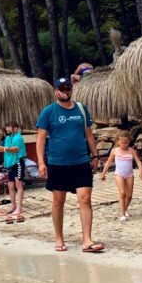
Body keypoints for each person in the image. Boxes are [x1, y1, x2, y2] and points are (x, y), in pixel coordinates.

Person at [36, 77, 104, 253]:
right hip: (58, 163)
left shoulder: (81, 109)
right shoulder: (48, 112)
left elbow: (89, 134)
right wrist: (41, 163)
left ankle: (87, 240)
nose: (65, 91)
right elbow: (41, 138)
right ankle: (59, 238)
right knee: (59, 201)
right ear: (55, 91)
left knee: (85, 198)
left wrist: (95, 156)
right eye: (61, 89)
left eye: (68, 88)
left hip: (81, 161)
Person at [100, 130, 142, 220]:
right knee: (122, 193)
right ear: (118, 141)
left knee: (129, 196)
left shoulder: (132, 151)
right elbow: (108, 162)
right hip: (119, 174)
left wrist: (141, 172)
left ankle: (124, 209)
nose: (124, 144)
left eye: (126, 143)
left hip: (129, 174)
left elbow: (138, 162)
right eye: (122, 143)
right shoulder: (115, 151)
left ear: (129, 141)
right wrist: (103, 174)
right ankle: (122, 214)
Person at [2, 122, 27, 222]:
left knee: (19, 185)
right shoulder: (8, 138)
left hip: (18, 162)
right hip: (10, 164)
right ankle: (13, 206)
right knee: (10, 185)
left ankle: (19, 207)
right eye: (7, 129)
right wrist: (8, 149)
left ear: (15, 129)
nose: (7, 131)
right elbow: (8, 149)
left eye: (9, 129)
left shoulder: (19, 138)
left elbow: (15, 150)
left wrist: (7, 149)